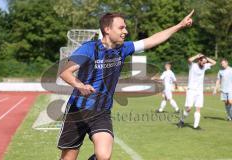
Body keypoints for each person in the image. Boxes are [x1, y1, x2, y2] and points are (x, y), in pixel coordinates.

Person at [58, 10, 194, 160]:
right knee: (68, 158)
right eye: (121, 28)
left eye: (125, 27)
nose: (126, 31)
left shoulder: (124, 48)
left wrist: (179, 26)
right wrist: (80, 85)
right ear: (107, 30)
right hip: (77, 110)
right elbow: (64, 71)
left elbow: (153, 39)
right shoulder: (89, 48)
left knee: (104, 156)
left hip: (101, 111)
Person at [177, 53, 216, 129]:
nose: (204, 64)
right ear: (199, 60)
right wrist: (197, 55)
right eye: (203, 62)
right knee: (189, 108)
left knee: (198, 108)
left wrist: (206, 58)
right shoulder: (193, 65)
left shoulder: (205, 66)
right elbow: (189, 60)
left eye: (205, 62)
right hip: (191, 90)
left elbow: (214, 63)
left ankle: (196, 126)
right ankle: (181, 121)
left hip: (199, 91)